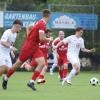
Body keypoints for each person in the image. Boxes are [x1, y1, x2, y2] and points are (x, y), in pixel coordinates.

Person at [2, 9, 52, 91]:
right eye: (50, 16)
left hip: (35, 47)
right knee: (17, 64)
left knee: (42, 63)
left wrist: (30, 37)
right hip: (28, 47)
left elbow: (28, 27)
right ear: (49, 16)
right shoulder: (42, 24)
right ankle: (6, 78)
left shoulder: (39, 22)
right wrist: (49, 38)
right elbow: (42, 38)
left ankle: (31, 82)